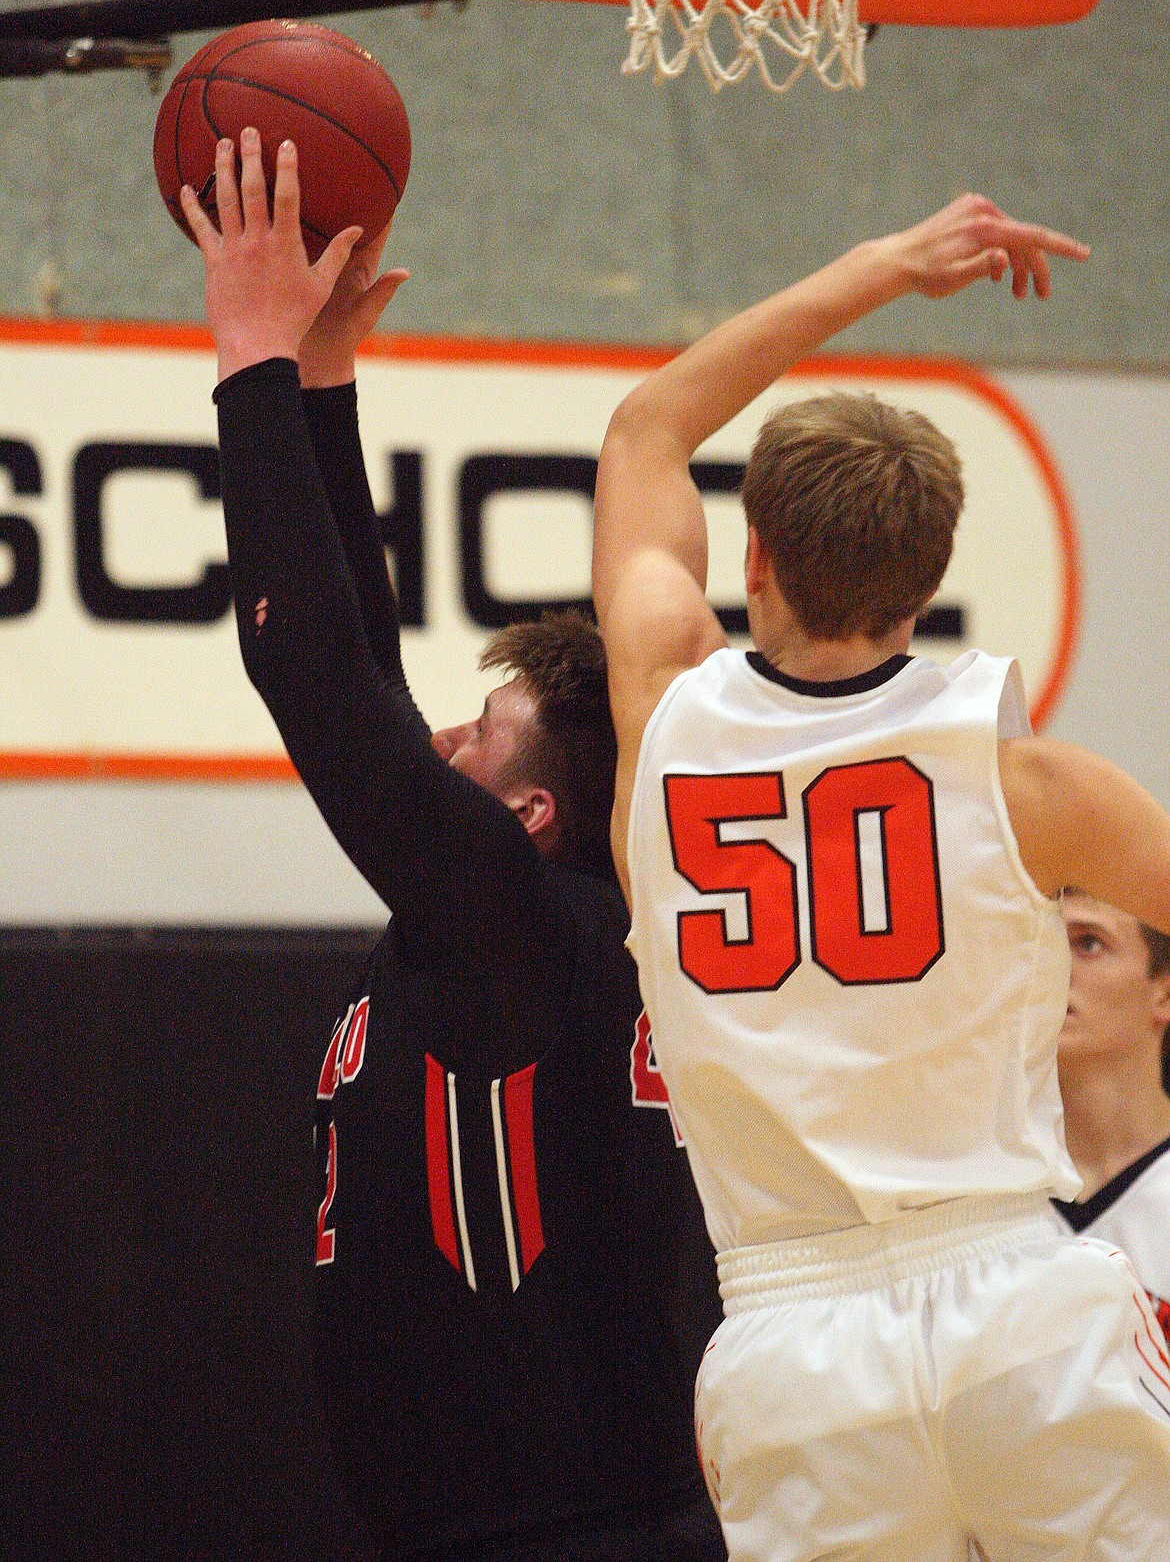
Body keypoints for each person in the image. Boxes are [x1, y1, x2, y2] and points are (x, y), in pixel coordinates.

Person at [590, 193, 1170, 1562]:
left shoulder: (662, 705)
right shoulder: (1030, 780)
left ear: (755, 554)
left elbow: (645, 428)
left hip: (793, 1340)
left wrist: (885, 267)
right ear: (926, 587)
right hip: (1019, 1302)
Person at [179, 130, 725, 1562]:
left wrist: (245, 353)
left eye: (475, 740)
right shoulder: (521, 923)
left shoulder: (524, 927)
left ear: (529, 816)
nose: (434, 746)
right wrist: (321, 381)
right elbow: (357, 665)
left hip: (565, 1531)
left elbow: (311, 674)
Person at [1054, 891, 1170, 1348]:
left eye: (1087, 944)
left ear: (1165, 991)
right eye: (1040, 945)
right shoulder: (968, 1186)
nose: (1051, 969)